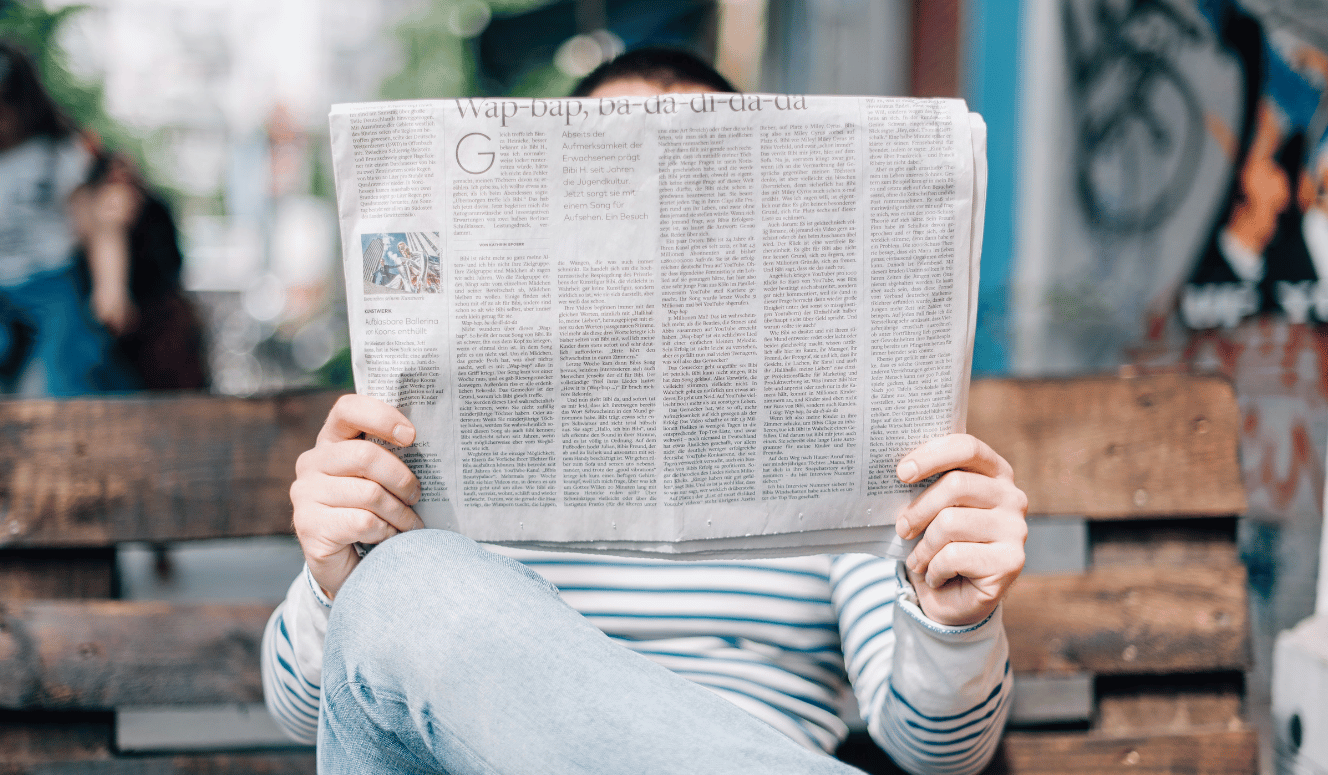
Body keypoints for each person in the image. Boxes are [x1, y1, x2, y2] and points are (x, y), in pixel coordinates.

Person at [263, 49, 1027, 775]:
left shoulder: (844, 438)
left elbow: (937, 753)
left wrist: (951, 622)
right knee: (406, 582)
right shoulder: (428, 437)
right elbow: (313, 714)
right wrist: (339, 579)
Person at [0, 40, 142, 395]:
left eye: (2, 108)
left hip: (52, 282)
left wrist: (111, 286)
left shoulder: (58, 154)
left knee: (58, 375)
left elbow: (98, 224)